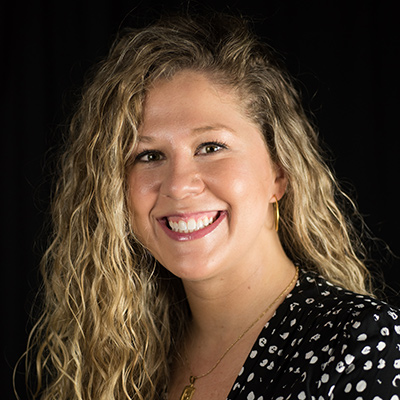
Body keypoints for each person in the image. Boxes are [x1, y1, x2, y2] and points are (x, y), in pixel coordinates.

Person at [24, 13, 400, 400]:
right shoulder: (124, 358)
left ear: (279, 172)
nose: (179, 185)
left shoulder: (358, 345)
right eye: (149, 155)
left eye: (211, 147)